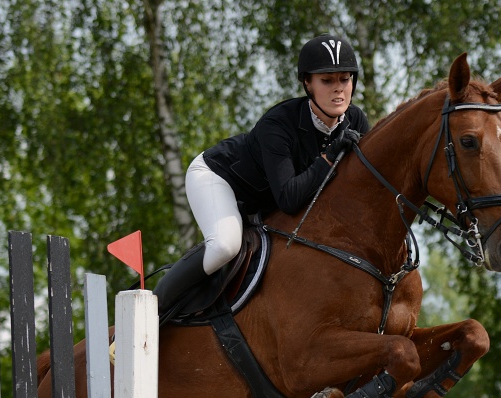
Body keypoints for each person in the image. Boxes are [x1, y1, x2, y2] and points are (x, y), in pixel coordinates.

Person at [153, 33, 371, 314]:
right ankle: (146, 313)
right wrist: (329, 157)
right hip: (218, 178)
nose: (338, 90)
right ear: (307, 83)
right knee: (225, 246)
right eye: (327, 81)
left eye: (345, 79)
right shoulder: (278, 124)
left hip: (264, 201)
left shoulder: (356, 120)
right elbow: (290, 198)